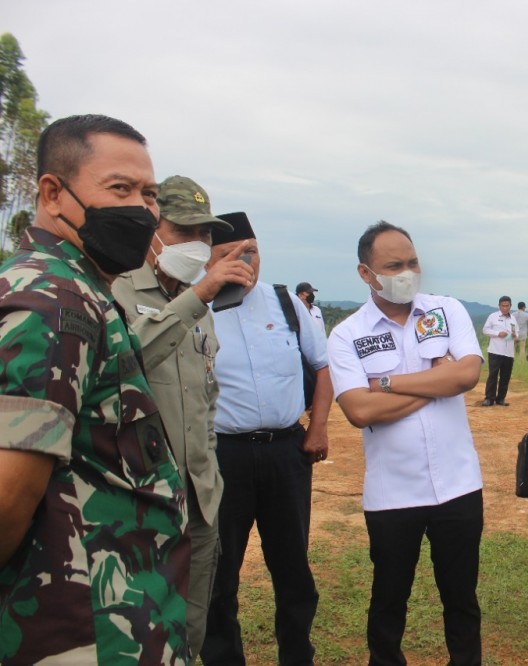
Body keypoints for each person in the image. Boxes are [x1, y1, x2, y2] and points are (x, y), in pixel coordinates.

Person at [0, 114, 189, 662]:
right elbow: (9, 498)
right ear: (53, 193)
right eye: (120, 189)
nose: (143, 209)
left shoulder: (80, 291)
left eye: (150, 193)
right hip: (82, 633)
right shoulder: (52, 303)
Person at [328, 221, 485, 666]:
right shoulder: (347, 334)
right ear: (366, 273)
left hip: (458, 484)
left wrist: (385, 383)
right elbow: (359, 411)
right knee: (388, 601)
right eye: (394, 265)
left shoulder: (446, 310)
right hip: (392, 493)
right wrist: (437, 382)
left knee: (461, 599)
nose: (408, 272)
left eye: (413, 262)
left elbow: (467, 375)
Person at [112, 175, 254, 656]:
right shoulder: (116, 292)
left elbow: (204, 402)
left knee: (191, 629)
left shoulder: (204, 310)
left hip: (198, 501)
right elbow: (124, 361)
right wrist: (200, 295)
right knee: (136, 633)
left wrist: (210, 476)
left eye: (205, 235)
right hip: (136, 506)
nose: (197, 245)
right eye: (183, 232)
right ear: (152, 230)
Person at [201, 212, 334, 666]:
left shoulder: (284, 302)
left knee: (293, 568)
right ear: (207, 261)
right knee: (220, 575)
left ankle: (298, 657)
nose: (244, 262)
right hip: (223, 458)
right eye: (228, 255)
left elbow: (322, 367)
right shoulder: (192, 308)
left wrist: (317, 429)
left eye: (251, 251)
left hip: (285, 452)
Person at [482, 295, 519, 406]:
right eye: (503, 306)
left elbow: (517, 333)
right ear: (499, 306)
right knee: (493, 375)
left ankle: (501, 398)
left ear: (510, 306)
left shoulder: (513, 318)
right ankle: (489, 398)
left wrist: (514, 335)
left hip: (509, 352)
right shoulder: (493, 316)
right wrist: (498, 333)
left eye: (507, 306)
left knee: (505, 376)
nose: (505, 308)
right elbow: (485, 330)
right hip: (495, 351)